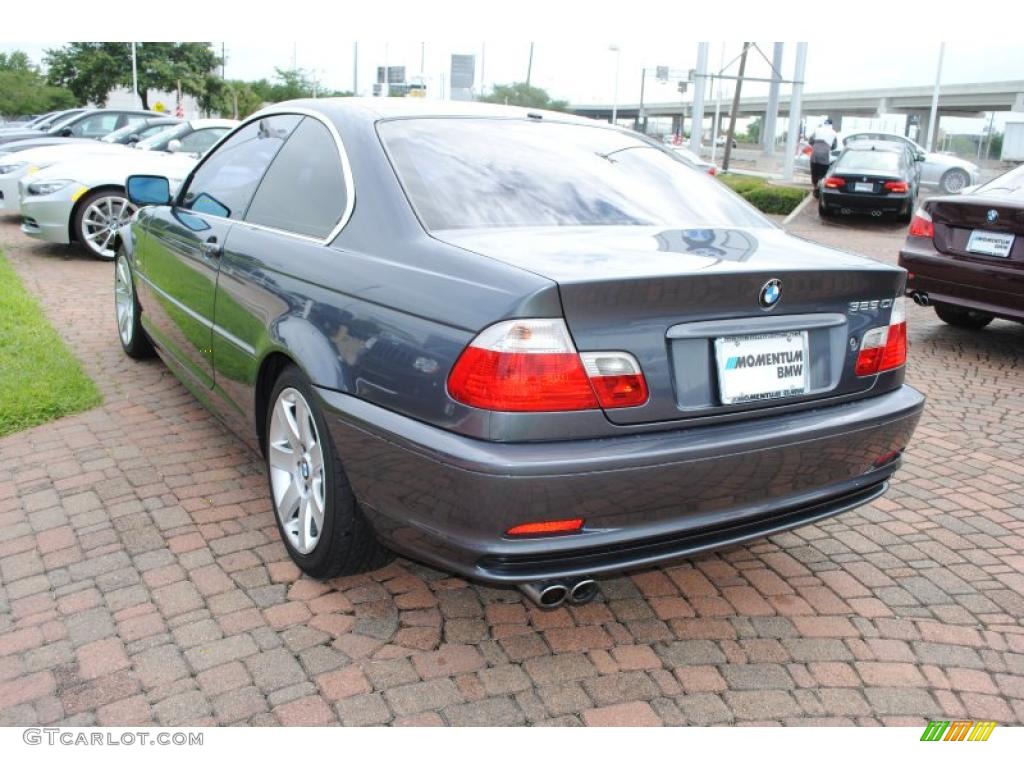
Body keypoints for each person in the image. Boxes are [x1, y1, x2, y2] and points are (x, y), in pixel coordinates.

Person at [807, 118, 839, 197]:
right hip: (824, 157)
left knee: (814, 173)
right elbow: (834, 146)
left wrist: (816, 145)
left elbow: (810, 141)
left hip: (814, 156)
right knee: (822, 174)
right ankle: (820, 190)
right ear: (831, 125)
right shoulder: (834, 133)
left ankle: (815, 187)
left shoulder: (817, 130)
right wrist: (828, 147)